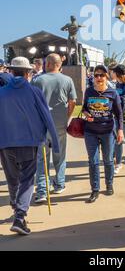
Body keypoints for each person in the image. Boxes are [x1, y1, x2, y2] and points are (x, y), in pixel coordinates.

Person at [0, 57, 59, 235]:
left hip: (5, 143)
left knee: (12, 179)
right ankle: (20, 215)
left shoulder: (2, 92)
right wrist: (54, 142)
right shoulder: (34, 92)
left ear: (11, 71)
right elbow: (46, 117)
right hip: (29, 142)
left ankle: (16, 208)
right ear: (28, 73)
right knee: (26, 180)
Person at [32, 53, 77, 202]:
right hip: (59, 124)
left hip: (42, 124)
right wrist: (67, 118)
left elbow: (32, 102)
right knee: (60, 155)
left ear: (49, 64)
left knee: (42, 158)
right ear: (59, 65)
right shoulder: (67, 80)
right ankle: (59, 183)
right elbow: (72, 102)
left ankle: (42, 190)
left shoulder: (38, 80)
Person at [82, 64, 123, 203]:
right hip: (90, 131)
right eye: (96, 75)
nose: (99, 78)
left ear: (106, 77)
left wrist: (120, 130)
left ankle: (109, 184)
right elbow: (83, 109)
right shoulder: (88, 91)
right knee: (93, 162)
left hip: (107, 131)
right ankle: (95, 190)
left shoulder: (113, 93)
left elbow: (119, 114)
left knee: (108, 160)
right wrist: (87, 114)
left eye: (102, 75)